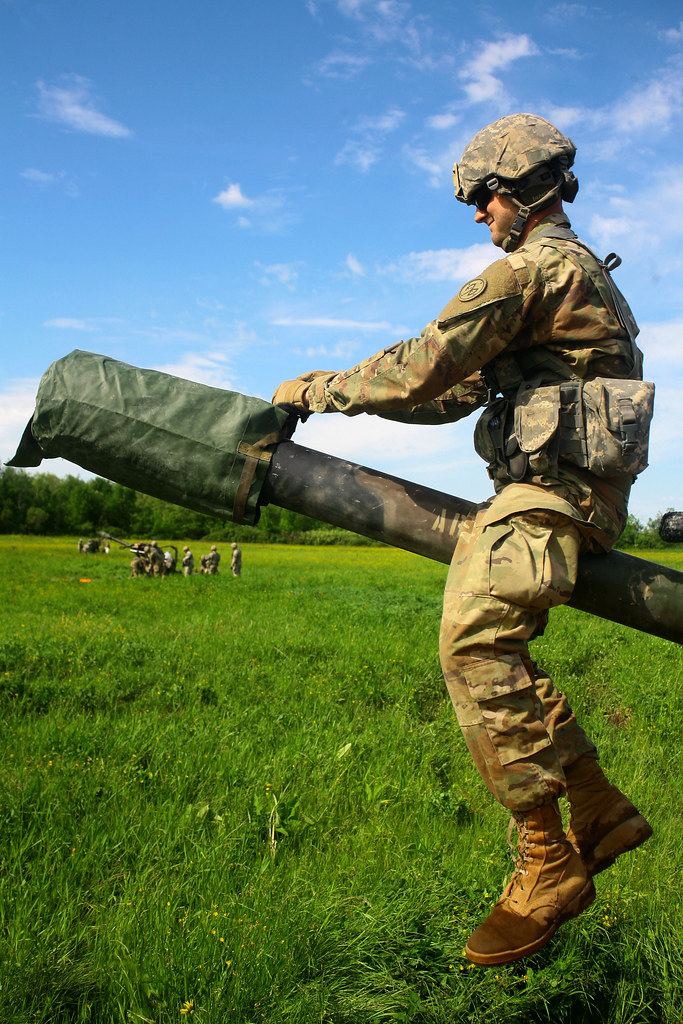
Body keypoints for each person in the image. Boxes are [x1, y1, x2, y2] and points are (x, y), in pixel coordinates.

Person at [272, 113, 653, 967]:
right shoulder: (569, 275)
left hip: (552, 496)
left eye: (484, 198)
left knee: (474, 642)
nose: (479, 214)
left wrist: (316, 389)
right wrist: (352, 405)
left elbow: (424, 364)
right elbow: (447, 392)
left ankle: (546, 860)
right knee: (500, 652)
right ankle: (596, 807)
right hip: (562, 492)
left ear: (522, 191)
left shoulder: (531, 270)